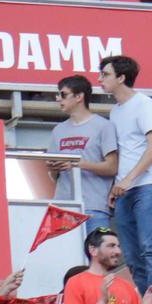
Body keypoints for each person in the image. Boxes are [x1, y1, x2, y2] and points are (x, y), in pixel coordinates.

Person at [99, 55, 152, 304]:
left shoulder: (143, 103)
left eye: (105, 74)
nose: (100, 79)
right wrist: (116, 185)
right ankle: (146, 302)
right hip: (124, 188)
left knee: (149, 245)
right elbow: (122, 152)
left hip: (148, 184)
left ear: (121, 78)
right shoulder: (114, 111)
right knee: (130, 252)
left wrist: (128, 179)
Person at [48, 75, 119, 234]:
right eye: (58, 95)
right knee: (64, 258)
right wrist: (54, 168)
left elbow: (112, 166)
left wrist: (77, 164)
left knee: (97, 256)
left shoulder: (104, 126)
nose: (59, 99)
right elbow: (53, 176)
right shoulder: (58, 130)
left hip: (94, 206)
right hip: (63, 207)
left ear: (79, 96)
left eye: (64, 94)